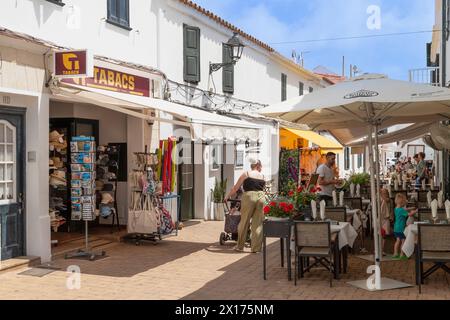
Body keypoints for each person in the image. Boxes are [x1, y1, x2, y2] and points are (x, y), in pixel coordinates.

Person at [224, 158, 265, 253]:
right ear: (258, 166)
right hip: (261, 197)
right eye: (261, 166)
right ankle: (256, 249)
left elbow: (235, 188)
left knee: (244, 221)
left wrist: (227, 196)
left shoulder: (246, 174)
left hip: (249, 197)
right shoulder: (262, 176)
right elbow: (263, 188)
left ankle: (240, 246)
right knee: (258, 224)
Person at [392, 193, 417, 260]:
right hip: (401, 228)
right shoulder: (402, 210)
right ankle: (402, 254)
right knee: (403, 241)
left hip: (396, 228)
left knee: (397, 241)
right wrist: (415, 211)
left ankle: (395, 253)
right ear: (402, 202)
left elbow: (404, 210)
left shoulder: (396, 209)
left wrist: (410, 208)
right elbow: (410, 214)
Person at [380, 188, 393, 256]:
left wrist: (391, 217)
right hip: (379, 219)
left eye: (386, 193)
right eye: (383, 193)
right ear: (381, 194)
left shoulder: (390, 201)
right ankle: (378, 249)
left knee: (384, 235)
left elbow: (391, 210)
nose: (385, 195)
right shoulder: (378, 200)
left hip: (386, 219)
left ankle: (382, 249)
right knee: (379, 234)